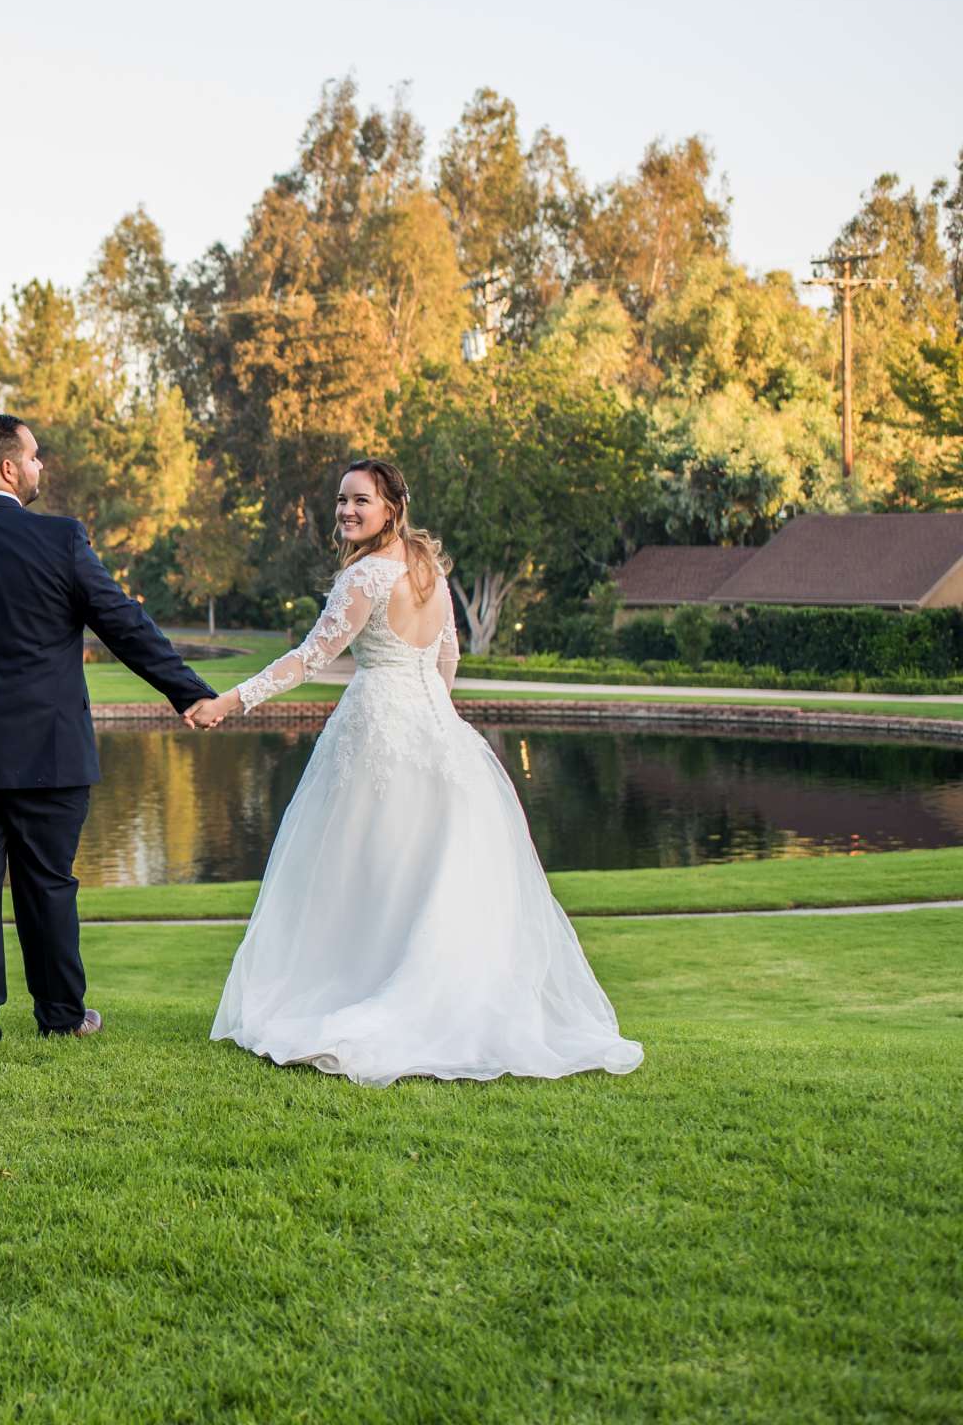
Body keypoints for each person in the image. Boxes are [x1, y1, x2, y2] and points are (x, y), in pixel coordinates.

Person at [182, 458, 644, 1086]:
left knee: (366, 867)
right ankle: (431, 993)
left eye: (359, 501)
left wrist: (229, 703)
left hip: (377, 728)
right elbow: (446, 655)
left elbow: (307, 660)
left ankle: (371, 993)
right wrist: (436, 719)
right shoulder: (427, 570)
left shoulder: (367, 577)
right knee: (421, 869)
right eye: (341, 500)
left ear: (390, 508)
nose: (346, 511)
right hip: (436, 732)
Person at [0, 414, 216, 1047]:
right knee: (49, 884)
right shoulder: (61, 540)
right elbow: (124, 626)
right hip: (47, 749)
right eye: (34, 458)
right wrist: (189, 693)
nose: (40, 468)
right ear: (9, 468)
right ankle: (61, 1017)